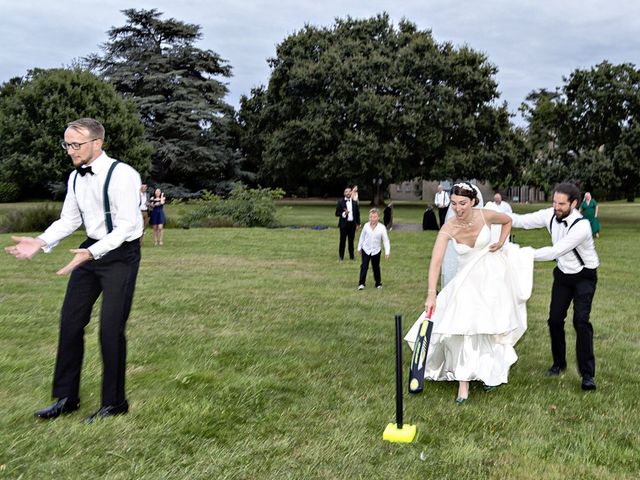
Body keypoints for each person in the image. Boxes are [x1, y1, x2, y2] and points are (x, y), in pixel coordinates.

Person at [4, 117, 143, 422]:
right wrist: (40, 242)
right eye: (66, 144)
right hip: (88, 249)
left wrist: (92, 252)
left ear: (97, 143)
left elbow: (127, 226)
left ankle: (115, 403)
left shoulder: (123, 175)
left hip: (120, 253)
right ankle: (67, 398)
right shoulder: (76, 178)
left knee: (110, 329)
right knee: (70, 322)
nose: (70, 150)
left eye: (75, 144)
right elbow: (68, 220)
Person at [405, 182, 533, 404]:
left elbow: (507, 221)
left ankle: (489, 373)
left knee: (487, 329)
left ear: (473, 201)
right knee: (462, 328)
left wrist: (501, 243)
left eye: (463, 203)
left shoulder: (486, 215)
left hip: (490, 279)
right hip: (465, 281)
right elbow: (435, 262)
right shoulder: (449, 228)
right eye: (454, 204)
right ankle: (463, 385)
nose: (458, 208)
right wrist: (431, 293)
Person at [510, 182, 599, 391]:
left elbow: (555, 251)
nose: (556, 207)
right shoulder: (551, 214)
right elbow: (522, 220)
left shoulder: (582, 226)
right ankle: (559, 364)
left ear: (574, 204)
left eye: (561, 204)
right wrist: (493, 214)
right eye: (554, 202)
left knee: (581, 321)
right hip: (562, 275)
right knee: (555, 320)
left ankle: (587, 375)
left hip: (584, 276)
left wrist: (520, 253)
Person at [357, 208, 390, 290]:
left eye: (375, 217)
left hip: (376, 250)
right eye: (371, 217)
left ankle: (378, 283)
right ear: (369, 217)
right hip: (366, 249)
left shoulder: (382, 228)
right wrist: (359, 247)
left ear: (378, 217)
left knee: (376, 267)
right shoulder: (366, 226)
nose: (373, 219)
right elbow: (362, 237)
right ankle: (361, 283)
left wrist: (387, 252)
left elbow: (386, 240)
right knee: (364, 266)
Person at [335, 187, 360, 261]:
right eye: (346, 191)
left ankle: (352, 257)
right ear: (344, 193)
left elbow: (357, 214)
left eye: (349, 191)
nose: (348, 193)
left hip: (352, 224)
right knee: (342, 241)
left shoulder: (355, 203)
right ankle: (341, 257)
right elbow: (337, 213)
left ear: (351, 193)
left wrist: (358, 224)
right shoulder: (340, 202)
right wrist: (344, 213)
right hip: (343, 225)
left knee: (351, 241)